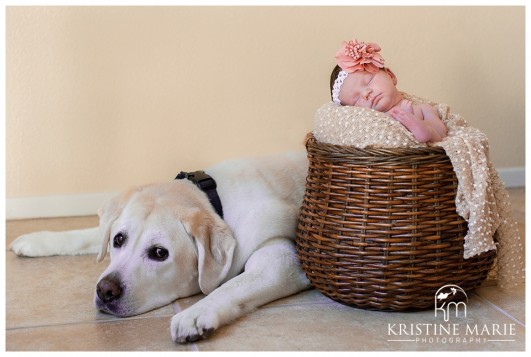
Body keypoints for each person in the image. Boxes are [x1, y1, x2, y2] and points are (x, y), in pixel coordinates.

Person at [330, 39, 447, 143]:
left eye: (369, 81)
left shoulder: (422, 108)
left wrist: (422, 125)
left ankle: (422, 130)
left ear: (391, 76)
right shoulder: (372, 122)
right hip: (391, 158)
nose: (366, 94)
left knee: (436, 131)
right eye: (356, 99)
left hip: (426, 134)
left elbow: (443, 133)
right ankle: (415, 129)